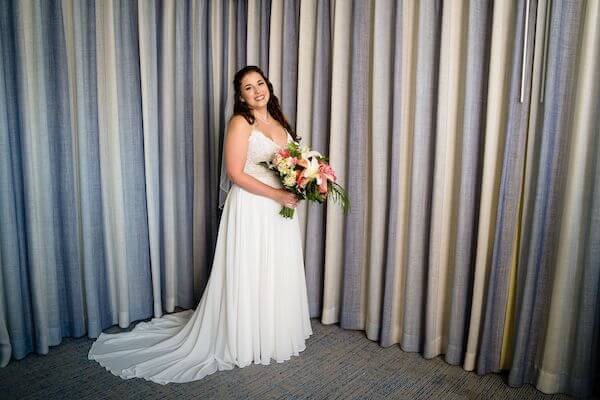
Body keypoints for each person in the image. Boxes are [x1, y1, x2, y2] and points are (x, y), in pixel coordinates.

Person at [88, 65, 313, 384]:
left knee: (275, 268)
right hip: (252, 205)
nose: (257, 90)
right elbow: (235, 173)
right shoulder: (240, 122)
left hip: (280, 210)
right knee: (250, 269)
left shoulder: (279, 121)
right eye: (248, 87)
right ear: (241, 96)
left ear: (268, 85)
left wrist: (304, 182)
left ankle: (272, 331)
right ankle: (245, 337)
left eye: (259, 83)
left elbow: (294, 162)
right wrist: (277, 193)